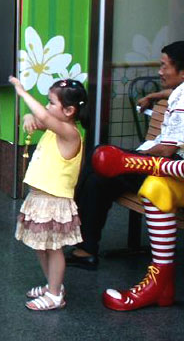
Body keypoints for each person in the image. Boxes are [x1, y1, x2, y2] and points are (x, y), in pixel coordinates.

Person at [67, 41, 184, 273]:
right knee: (97, 167)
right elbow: (173, 93)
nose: (159, 71)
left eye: (164, 66)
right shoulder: (179, 91)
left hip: (168, 170)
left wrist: (132, 156)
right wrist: (155, 94)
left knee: (99, 169)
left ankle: (84, 246)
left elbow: (167, 150)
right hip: (162, 162)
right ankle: (82, 244)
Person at [10, 76, 86, 311]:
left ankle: (55, 294)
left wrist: (22, 92)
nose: (47, 107)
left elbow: (43, 117)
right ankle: (54, 285)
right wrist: (28, 116)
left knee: (53, 248)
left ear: (69, 110)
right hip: (41, 199)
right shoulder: (56, 126)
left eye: (51, 103)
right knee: (40, 245)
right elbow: (39, 119)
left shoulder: (70, 133)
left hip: (54, 201)